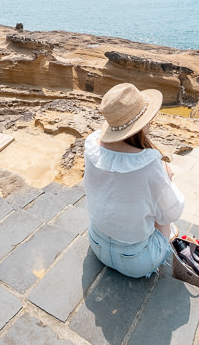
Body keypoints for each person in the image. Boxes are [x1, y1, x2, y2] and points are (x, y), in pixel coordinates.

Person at [83, 83, 185, 278]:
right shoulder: (148, 164)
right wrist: (167, 179)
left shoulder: (92, 149)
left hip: (96, 244)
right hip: (136, 263)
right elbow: (173, 212)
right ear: (142, 123)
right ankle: (159, 248)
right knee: (164, 218)